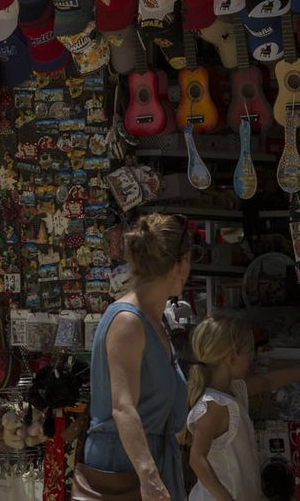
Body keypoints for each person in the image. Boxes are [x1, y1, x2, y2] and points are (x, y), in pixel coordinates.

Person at [83, 213, 193, 501]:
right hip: (125, 467)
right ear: (180, 265)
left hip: (149, 460)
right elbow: (123, 406)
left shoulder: (154, 320)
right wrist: (149, 476)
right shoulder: (128, 322)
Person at [184, 317, 300, 501]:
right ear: (231, 358)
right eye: (248, 353)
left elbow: (267, 382)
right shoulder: (214, 405)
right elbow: (197, 459)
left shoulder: (234, 390)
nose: (251, 359)